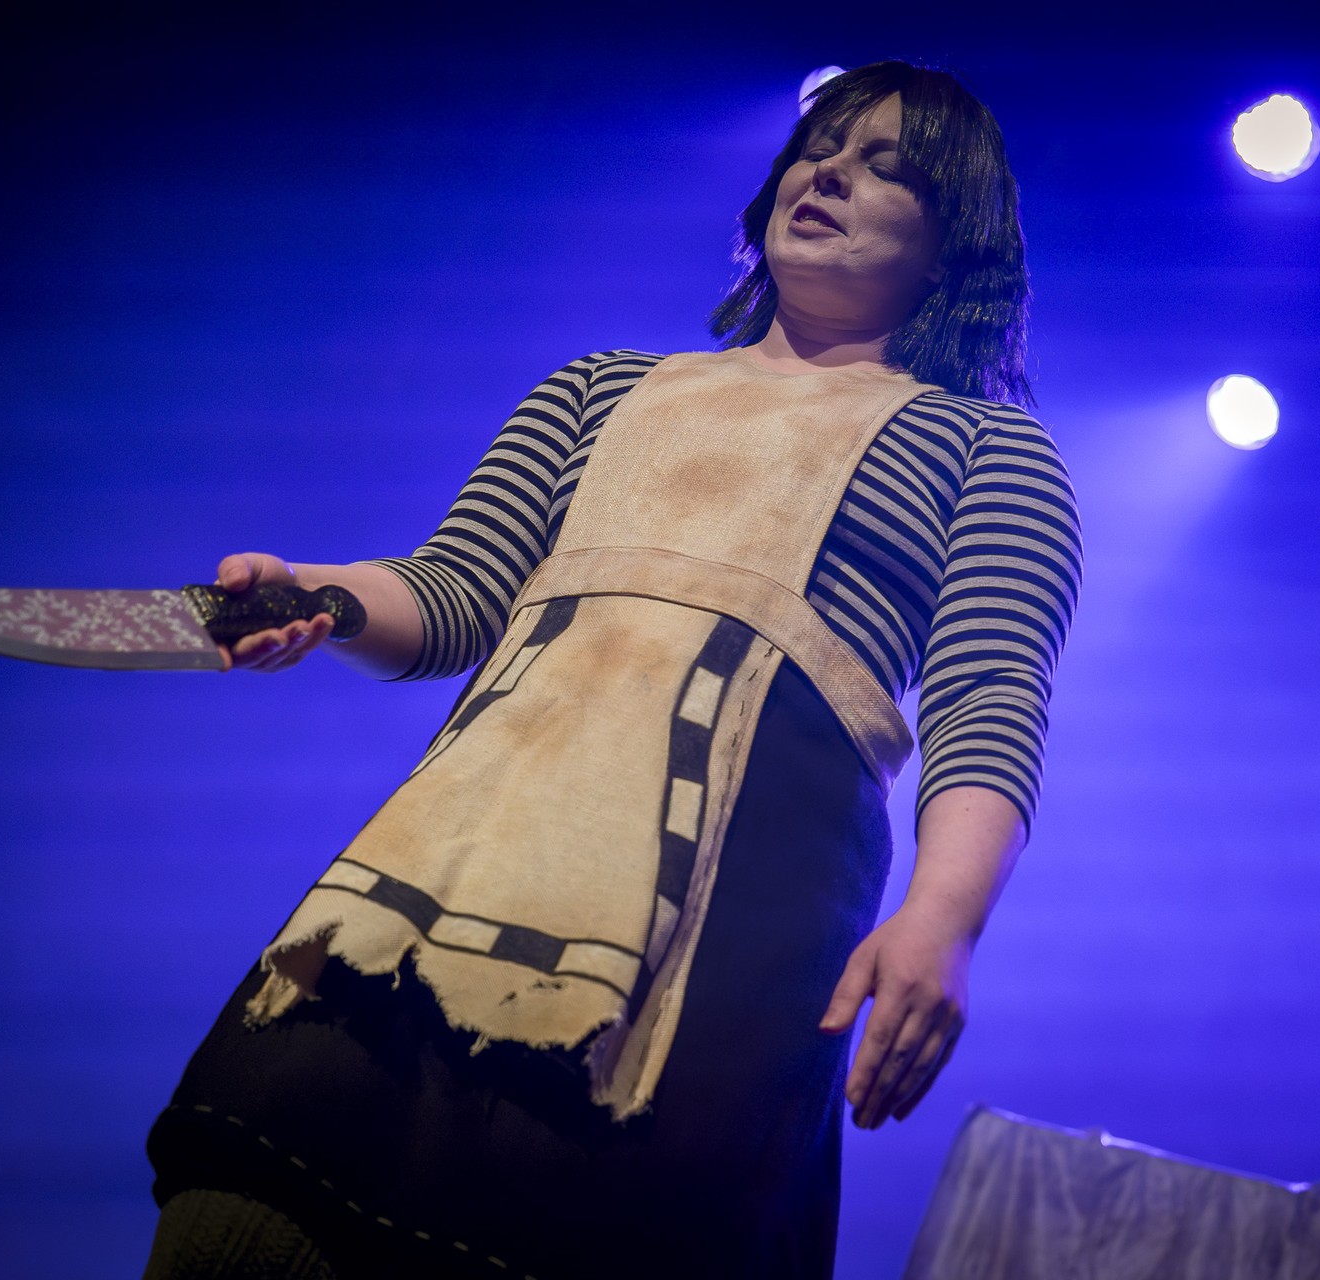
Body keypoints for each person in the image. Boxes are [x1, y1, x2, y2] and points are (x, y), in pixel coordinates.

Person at [142, 60, 1080, 1280]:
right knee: (263, 1203)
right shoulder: (601, 387)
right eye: (819, 150)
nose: (829, 173)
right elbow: (454, 590)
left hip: (738, 923)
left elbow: (987, 701)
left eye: (886, 167)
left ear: (954, 244)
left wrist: (942, 920)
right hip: (459, 853)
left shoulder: (992, 452)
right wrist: (313, 592)